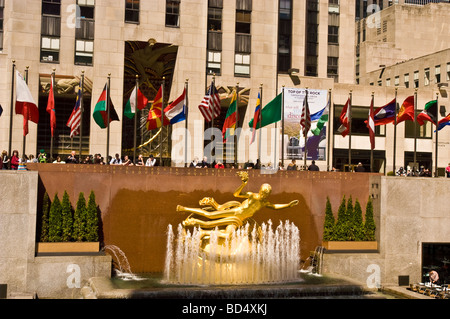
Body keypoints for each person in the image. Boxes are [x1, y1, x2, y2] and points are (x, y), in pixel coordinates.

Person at [177, 171, 299, 241]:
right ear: (260, 191)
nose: (264, 195)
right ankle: (184, 208)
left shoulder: (264, 203)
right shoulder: (252, 196)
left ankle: (203, 233)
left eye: (266, 194)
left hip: (239, 220)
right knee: (210, 215)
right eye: (263, 192)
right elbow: (236, 194)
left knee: (226, 234)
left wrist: (288, 205)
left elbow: (275, 207)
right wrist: (243, 184)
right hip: (235, 212)